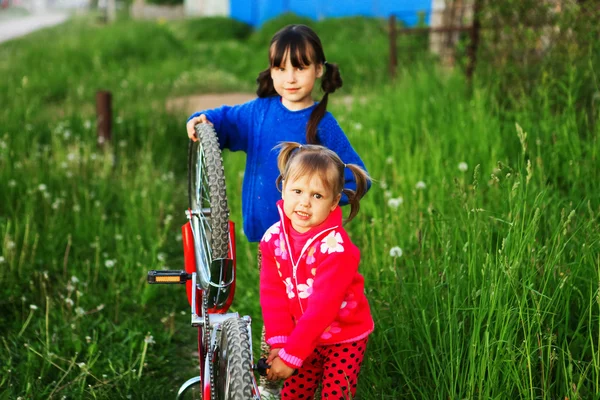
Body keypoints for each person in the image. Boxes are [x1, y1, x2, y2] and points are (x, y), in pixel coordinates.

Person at [186, 24, 370, 398]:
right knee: (277, 299)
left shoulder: (323, 124)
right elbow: (224, 119)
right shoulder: (259, 113)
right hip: (270, 237)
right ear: (271, 72)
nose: (290, 77)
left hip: (311, 241)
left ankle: (304, 353)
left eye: (300, 68)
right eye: (281, 68)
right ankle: (280, 355)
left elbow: (353, 172)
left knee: (313, 299)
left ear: (318, 70)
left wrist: (331, 201)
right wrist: (202, 119)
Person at [259, 142, 373, 399]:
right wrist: (280, 343)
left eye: (317, 196)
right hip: (302, 334)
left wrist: (290, 358)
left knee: (336, 394)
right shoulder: (273, 239)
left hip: (343, 337)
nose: (304, 203)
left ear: (334, 203)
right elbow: (272, 293)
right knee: (294, 394)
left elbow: (323, 309)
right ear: (283, 188)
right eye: (297, 191)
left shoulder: (336, 250)